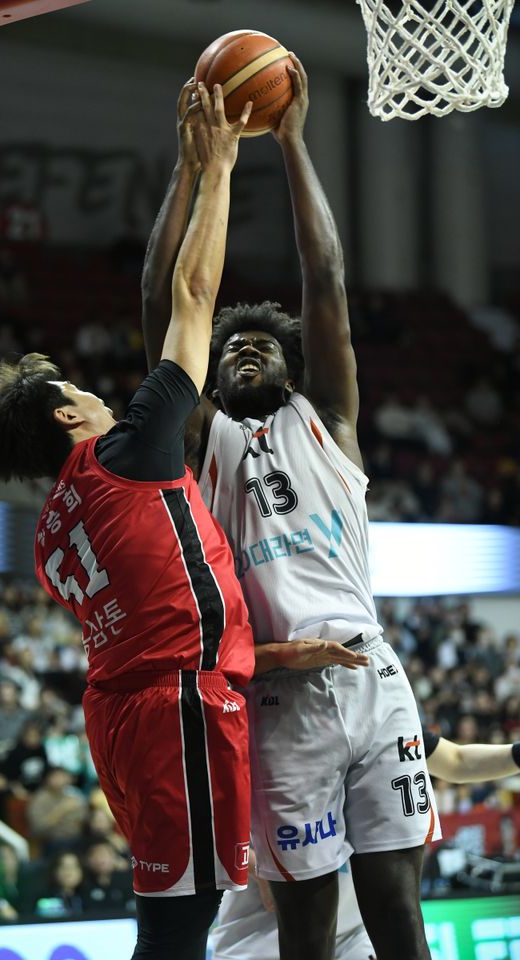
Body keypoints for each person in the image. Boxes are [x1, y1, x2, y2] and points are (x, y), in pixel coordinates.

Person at [0, 85, 271, 960]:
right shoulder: (124, 455)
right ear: (69, 419)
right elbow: (192, 296)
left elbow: (159, 600)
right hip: (174, 708)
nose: (100, 394)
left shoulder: (50, 536)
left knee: (175, 920)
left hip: (128, 716)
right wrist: (219, 170)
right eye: (80, 391)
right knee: (178, 931)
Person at [142, 58, 439, 960]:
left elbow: (328, 275)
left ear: (292, 366)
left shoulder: (329, 422)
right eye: (230, 344)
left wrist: (296, 142)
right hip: (276, 702)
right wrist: (195, 165)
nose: (244, 349)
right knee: (303, 933)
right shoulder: (205, 441)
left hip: (372, 679)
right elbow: (161, 298)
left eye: (262, 344)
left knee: (398, 916)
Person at [210, 732, 520, 960]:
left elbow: (456, 761)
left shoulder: (380, 721)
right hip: (257, 942)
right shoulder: (263, 732)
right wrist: (260, 863)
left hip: (352, 938)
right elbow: (207, 829)